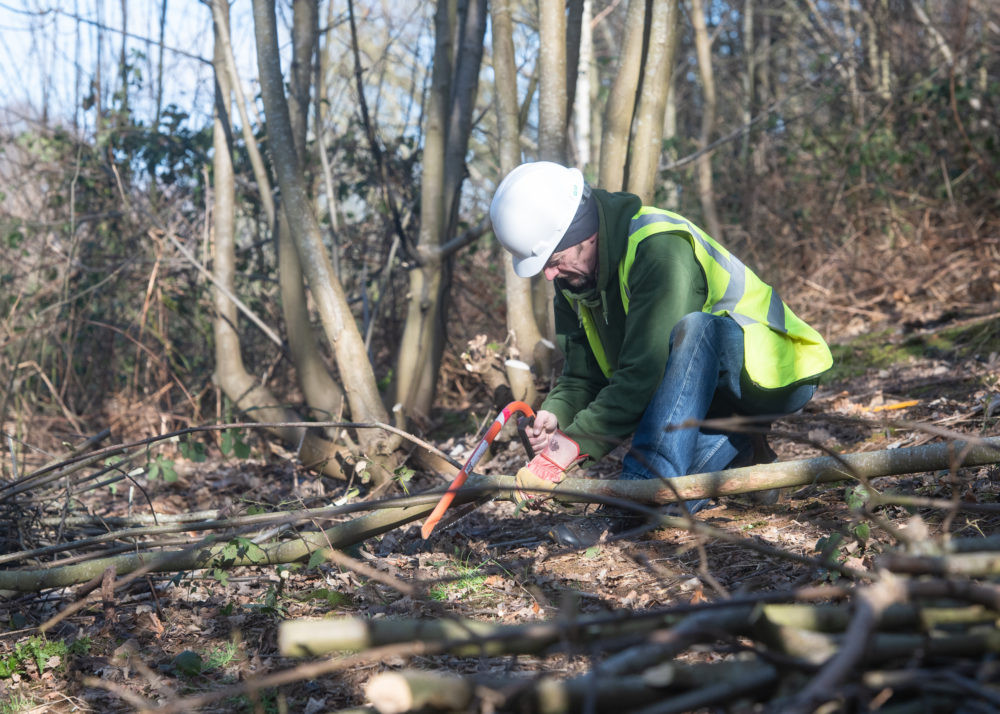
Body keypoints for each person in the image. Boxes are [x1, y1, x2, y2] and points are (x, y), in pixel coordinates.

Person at [489, 161, 833, 546]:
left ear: (585, 233)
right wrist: (556, 417)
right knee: (677, 485)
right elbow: (580, 376)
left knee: (696, 328)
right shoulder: (574, 279)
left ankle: (632, 501)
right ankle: (740, 450)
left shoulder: (659, 249)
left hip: (773, 369)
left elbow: (647, 371)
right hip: (706, 395)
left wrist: (574, 443)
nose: (549, 275)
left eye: (553, 260)